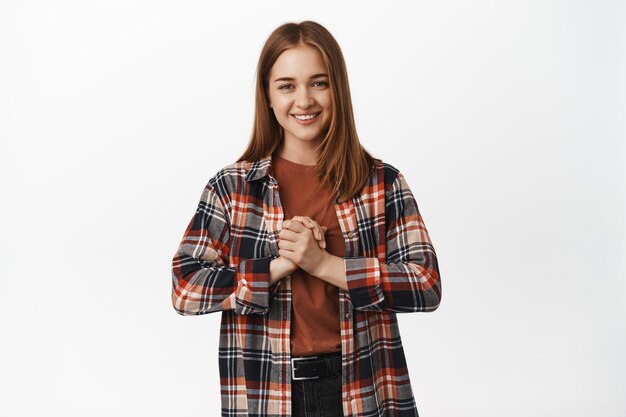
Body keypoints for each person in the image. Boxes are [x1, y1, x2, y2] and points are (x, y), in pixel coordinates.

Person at [171, 20, 442, 417]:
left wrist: (326, 264)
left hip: (362, 389)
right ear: (267, 95)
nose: (304, 100)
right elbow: (185, 288)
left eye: (318, 83)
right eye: (286, 85)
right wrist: (277, 266)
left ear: (338, 89)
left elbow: (426, 284)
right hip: (268, 392)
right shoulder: (232, 187)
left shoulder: (381, 184)